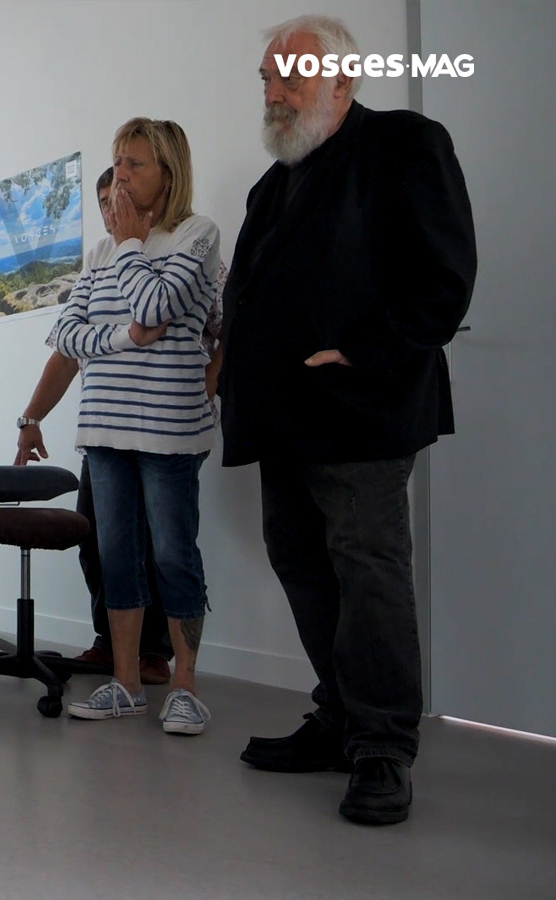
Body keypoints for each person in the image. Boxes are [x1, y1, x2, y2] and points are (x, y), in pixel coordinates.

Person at [223, 15, 475, 825]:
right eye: (266, 77)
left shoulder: (405, 142)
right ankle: (339, 717)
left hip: (362, 408)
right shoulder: (275, 182)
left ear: (343, 80)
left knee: (367, 568)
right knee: (299, 558)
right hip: (280, 415)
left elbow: (443, 276)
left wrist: (363, 353)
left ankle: (381, 747)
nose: (273, 91)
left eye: (289, 75)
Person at [47, 119, 220, 734]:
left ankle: (185, 687)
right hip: (104, 429)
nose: (119, 174)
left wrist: (128, 246)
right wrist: (123, 337)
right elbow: (64, 333)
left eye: (134, 164)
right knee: (115, 554)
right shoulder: (99, 251)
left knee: (175, 554)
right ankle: (124, 684)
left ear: (168, 172)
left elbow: (155, 305)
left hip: (169, 428)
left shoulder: (196, 235)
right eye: (117, 161)